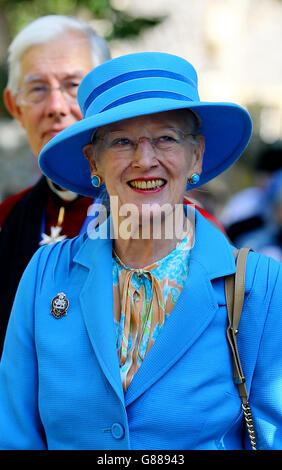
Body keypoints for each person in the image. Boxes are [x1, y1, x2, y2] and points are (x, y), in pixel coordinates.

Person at [1, 52, 281, 451]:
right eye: (122, 141)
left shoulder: (258, 284)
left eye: (166, 138)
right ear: (93, 161)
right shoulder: (45, 274)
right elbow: (13, 433)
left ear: (196, 154)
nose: (145, 160)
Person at [0, 15, 111, 354]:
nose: (56, 107)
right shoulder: (5, 219)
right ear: (14, 107)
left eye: (72, 85)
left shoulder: (170, 220)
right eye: (37, 88)